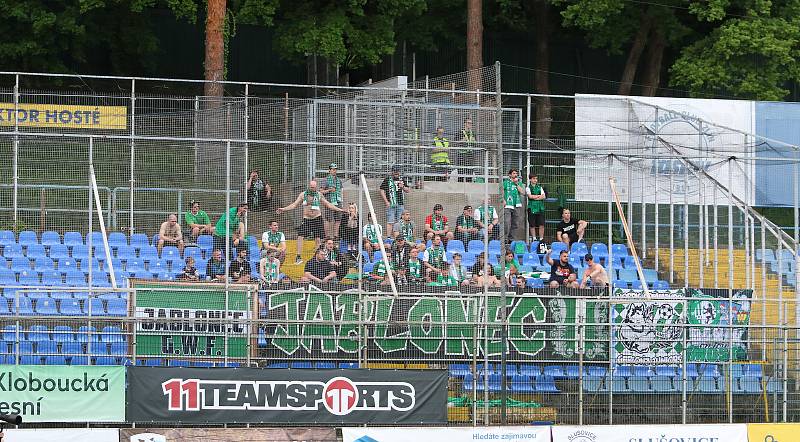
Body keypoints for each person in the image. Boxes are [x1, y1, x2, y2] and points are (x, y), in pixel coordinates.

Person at [277, 180, 346, 264]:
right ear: (309, 186)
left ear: (316, 187)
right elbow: (294, 205)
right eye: (311, 187)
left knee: (318, 238)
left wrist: (340, 210)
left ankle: (316, 257)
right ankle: (298, 256)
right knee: (300, 236)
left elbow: (328, 204)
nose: (312, 189)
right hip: (307, 219)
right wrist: (283, 209)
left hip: (317, 218)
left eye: (314, 187)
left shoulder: (319, 195)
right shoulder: (303, 195)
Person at [380, 165, 410, 238]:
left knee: (400, 221)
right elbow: (381, 190)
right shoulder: (387, 179)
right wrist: (386, 201)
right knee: (390, 221)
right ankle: (389, 237)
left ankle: (398, 237)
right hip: (391, 203)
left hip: (400, 203)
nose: (396, 173)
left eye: (397, 172)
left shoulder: (402, 179)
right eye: (395, 171)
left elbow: (408, 190)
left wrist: (402, 187)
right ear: (392, 172)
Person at [320, 163, 344, 239]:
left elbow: (340, 190)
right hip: (329, 202)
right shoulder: (325, 180)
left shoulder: (338, 180)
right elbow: (320, 191)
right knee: (328, 219)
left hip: (338, 201)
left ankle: (335, 236)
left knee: (338, 219)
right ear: (329, 170)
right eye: (333, 169)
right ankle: (327, 236)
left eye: (335, 169)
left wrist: (341, 200)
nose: (334, 171)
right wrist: (329, 190)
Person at [502, 168, 525, 243]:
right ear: (510, 175)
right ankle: (505, 238)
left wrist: (517, 184)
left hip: (516, 204)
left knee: (515, 223)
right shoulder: (505, 182)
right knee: (507, 222)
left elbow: (522, 192)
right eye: (514, 173)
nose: (515, 175)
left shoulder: (518, 183)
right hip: (508, 205)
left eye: (516, 173)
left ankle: (511, 239)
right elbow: (501, 191)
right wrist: (503, 200)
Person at [526, 173, 547, 241]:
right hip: (531, 208)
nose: (535, 180)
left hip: (540, 208)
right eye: (534, 178)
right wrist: (538, 196)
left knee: (542, 224)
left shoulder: (540, 187)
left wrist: (535, 197)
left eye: (536, 178)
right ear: (530, 179)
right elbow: (530, 196)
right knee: (532, 224)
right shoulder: (528, 188)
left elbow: (543, 196)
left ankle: (541, 238)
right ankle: (534, 238)